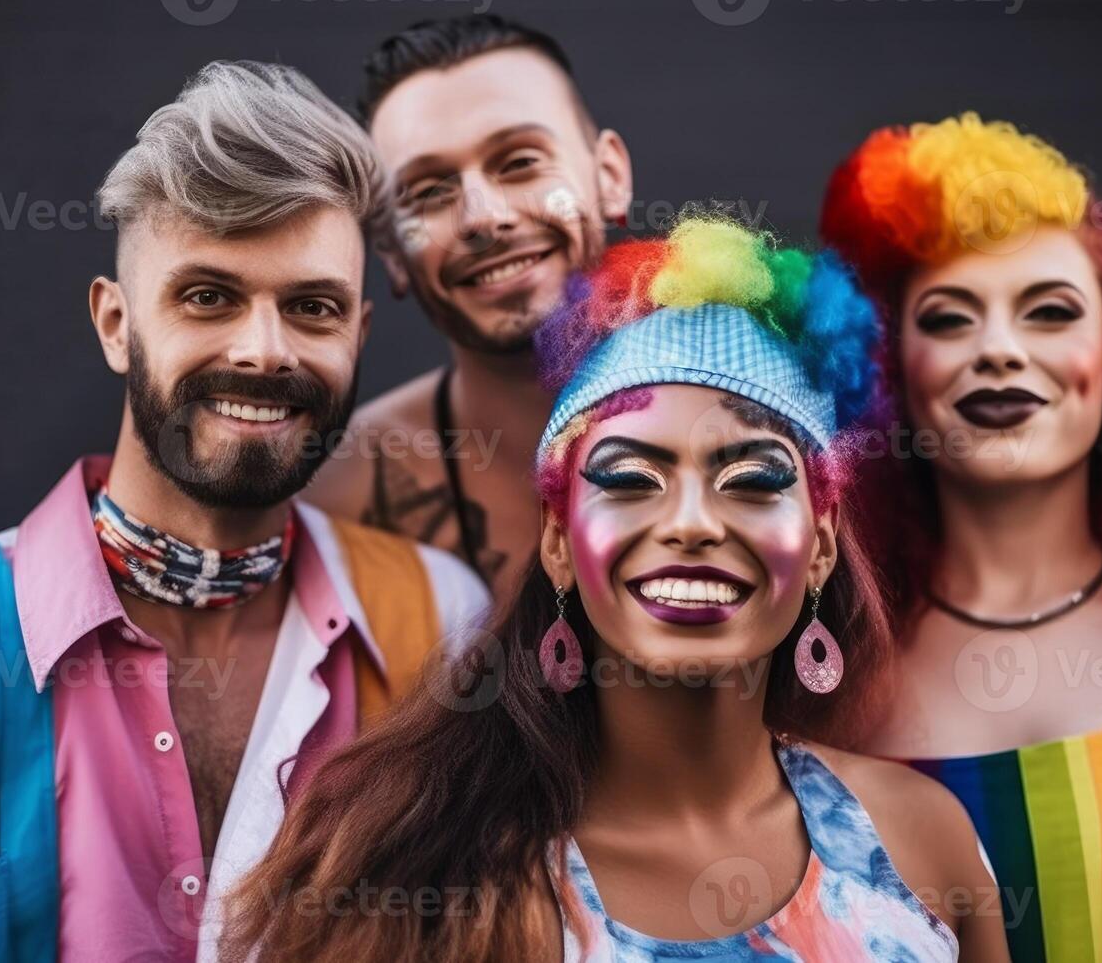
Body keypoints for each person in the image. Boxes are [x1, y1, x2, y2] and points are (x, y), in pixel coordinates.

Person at [0, 61, 487, 962]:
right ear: (116, 324)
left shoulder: (441, 620)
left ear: (356, 335)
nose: (263, 350)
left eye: (311, 308)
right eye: (209, 296)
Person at [223, 215, 1009, 962]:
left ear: (822, 546)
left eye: (753, 480)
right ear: (559, 543)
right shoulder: (415, 873)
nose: (693, 524)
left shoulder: (920, 841)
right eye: (631, 479)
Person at [820, 111, 1102, 960]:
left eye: (1049, 312)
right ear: (893, 373)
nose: (998, 350)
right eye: (950, 319)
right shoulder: (827, 678)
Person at [303, 14, 634, 604]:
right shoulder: (338, 492)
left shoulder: (757, 413)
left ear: (609, 176)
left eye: (521, 162)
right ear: (391, 253)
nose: (482, 218)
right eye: (428, 193)